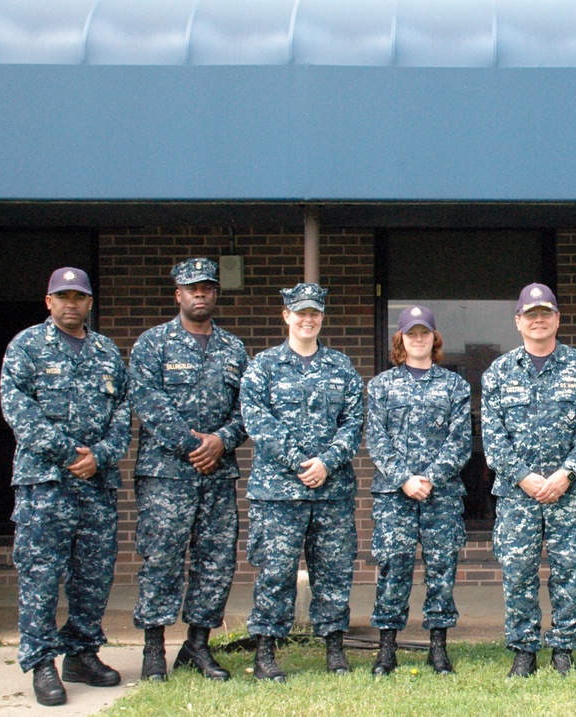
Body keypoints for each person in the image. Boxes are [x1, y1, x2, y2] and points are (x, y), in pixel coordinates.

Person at [0, 267, 131, 706]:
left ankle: (81, 653)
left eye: (79, 297)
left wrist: (101, 456)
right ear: (49, 301)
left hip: (96, 483)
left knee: (93, 575)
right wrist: (69, 453)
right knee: (41, 575)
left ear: (90, 302)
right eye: (63, 296)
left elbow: (123, 412)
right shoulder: (27, 346)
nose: (71, 303)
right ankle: (42, 662)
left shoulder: (106, 352)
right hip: (45, 485)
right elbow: (17, 408)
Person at [128, 258, 248, 682]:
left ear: (216, 294)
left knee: (216, 562)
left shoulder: (234, 349)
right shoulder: (152, 344)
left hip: (218, 474)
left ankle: (197, 646)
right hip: (166, 474)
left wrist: (222, 440)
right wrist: (195, 445)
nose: (200, 294)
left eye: (207, 287)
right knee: (161, 560)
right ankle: (153, 650)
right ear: (177, 294)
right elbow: (147, 402)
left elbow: (247, 409)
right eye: (192, 288)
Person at [240, 283, 364, 682]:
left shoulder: (341, 366)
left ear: (322, 317)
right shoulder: (263, 366)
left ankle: (334, 648)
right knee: (275, 573)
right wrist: (299, 461)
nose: (307, 319)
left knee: (334, 573)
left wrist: (327, 462)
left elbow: (353, 421)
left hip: (332, 492)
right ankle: (266, 652)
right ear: (286, 316)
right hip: (278, 493)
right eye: (300, 312)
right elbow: (256, 419)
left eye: (314, 313)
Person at [481, 283, 576, 678]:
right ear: (518, 321)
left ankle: (563, 649)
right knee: (518, 573)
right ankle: (524, 650)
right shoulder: (499, 372)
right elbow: (492, 437)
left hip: (570, 493)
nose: (538, 320)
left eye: (545, 313)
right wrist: (523, 477)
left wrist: (566, 473)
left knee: (570, 573)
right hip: (518, 495)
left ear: (557, 319)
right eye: (530, 314)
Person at [366, 305, 473, 676]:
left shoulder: (455, 386)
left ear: (434, 338)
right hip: (394, 495)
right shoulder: (381, 385)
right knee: (392, 568)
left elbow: (461, 440)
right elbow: (376, 439)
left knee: (442, 569)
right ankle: (387, 649)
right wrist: (404, 479)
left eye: (424, 332)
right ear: (401, 339)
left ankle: (438, 649)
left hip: (441, 494)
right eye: (411, 333)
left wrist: (429, 478)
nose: (418, 339)